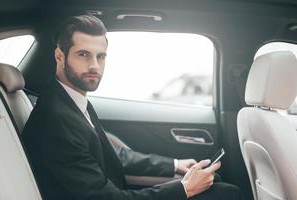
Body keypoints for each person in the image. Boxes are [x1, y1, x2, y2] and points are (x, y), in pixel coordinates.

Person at [22, 15, 242, 200]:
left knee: (217, 186)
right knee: (226, 193)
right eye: (83, 55)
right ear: (60, 56)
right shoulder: (56, 120)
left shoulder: (69, 100)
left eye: (101, 56)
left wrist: (175, 165)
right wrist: (184, 188)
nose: (94, 66)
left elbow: (114, 154)